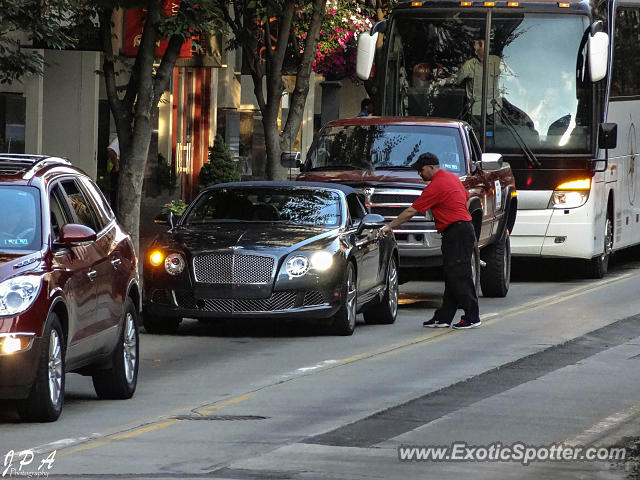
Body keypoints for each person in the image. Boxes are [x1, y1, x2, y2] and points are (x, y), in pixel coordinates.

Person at [380, 152, 481, 330]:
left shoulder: (435, 186)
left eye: (421, 170)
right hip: (461, 229)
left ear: (432, 167)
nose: (419, 174)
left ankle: (472, 316)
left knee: (460, 275)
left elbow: (411, 211)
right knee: (452, 276)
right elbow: (465, 198)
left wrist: (390, 226)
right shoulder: (452, 178)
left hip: (457, 231)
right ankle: (444, 317)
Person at [441, 39, 503, 125]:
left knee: (497, 136)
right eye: (479, 46)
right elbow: (456, 79)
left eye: (485, 46)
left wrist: (519, 87)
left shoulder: (497, 61)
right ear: (476, 52)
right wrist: (441, 82)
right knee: (475, 136)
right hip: (476, 111)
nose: (485, 49)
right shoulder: (469, 65)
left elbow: (510, 76)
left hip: (494, 108)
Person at [106, 137, 120, 214]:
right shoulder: (121, 139)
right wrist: (117, 165)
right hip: (118, 173)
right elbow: (111, 150)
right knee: (115, 200)